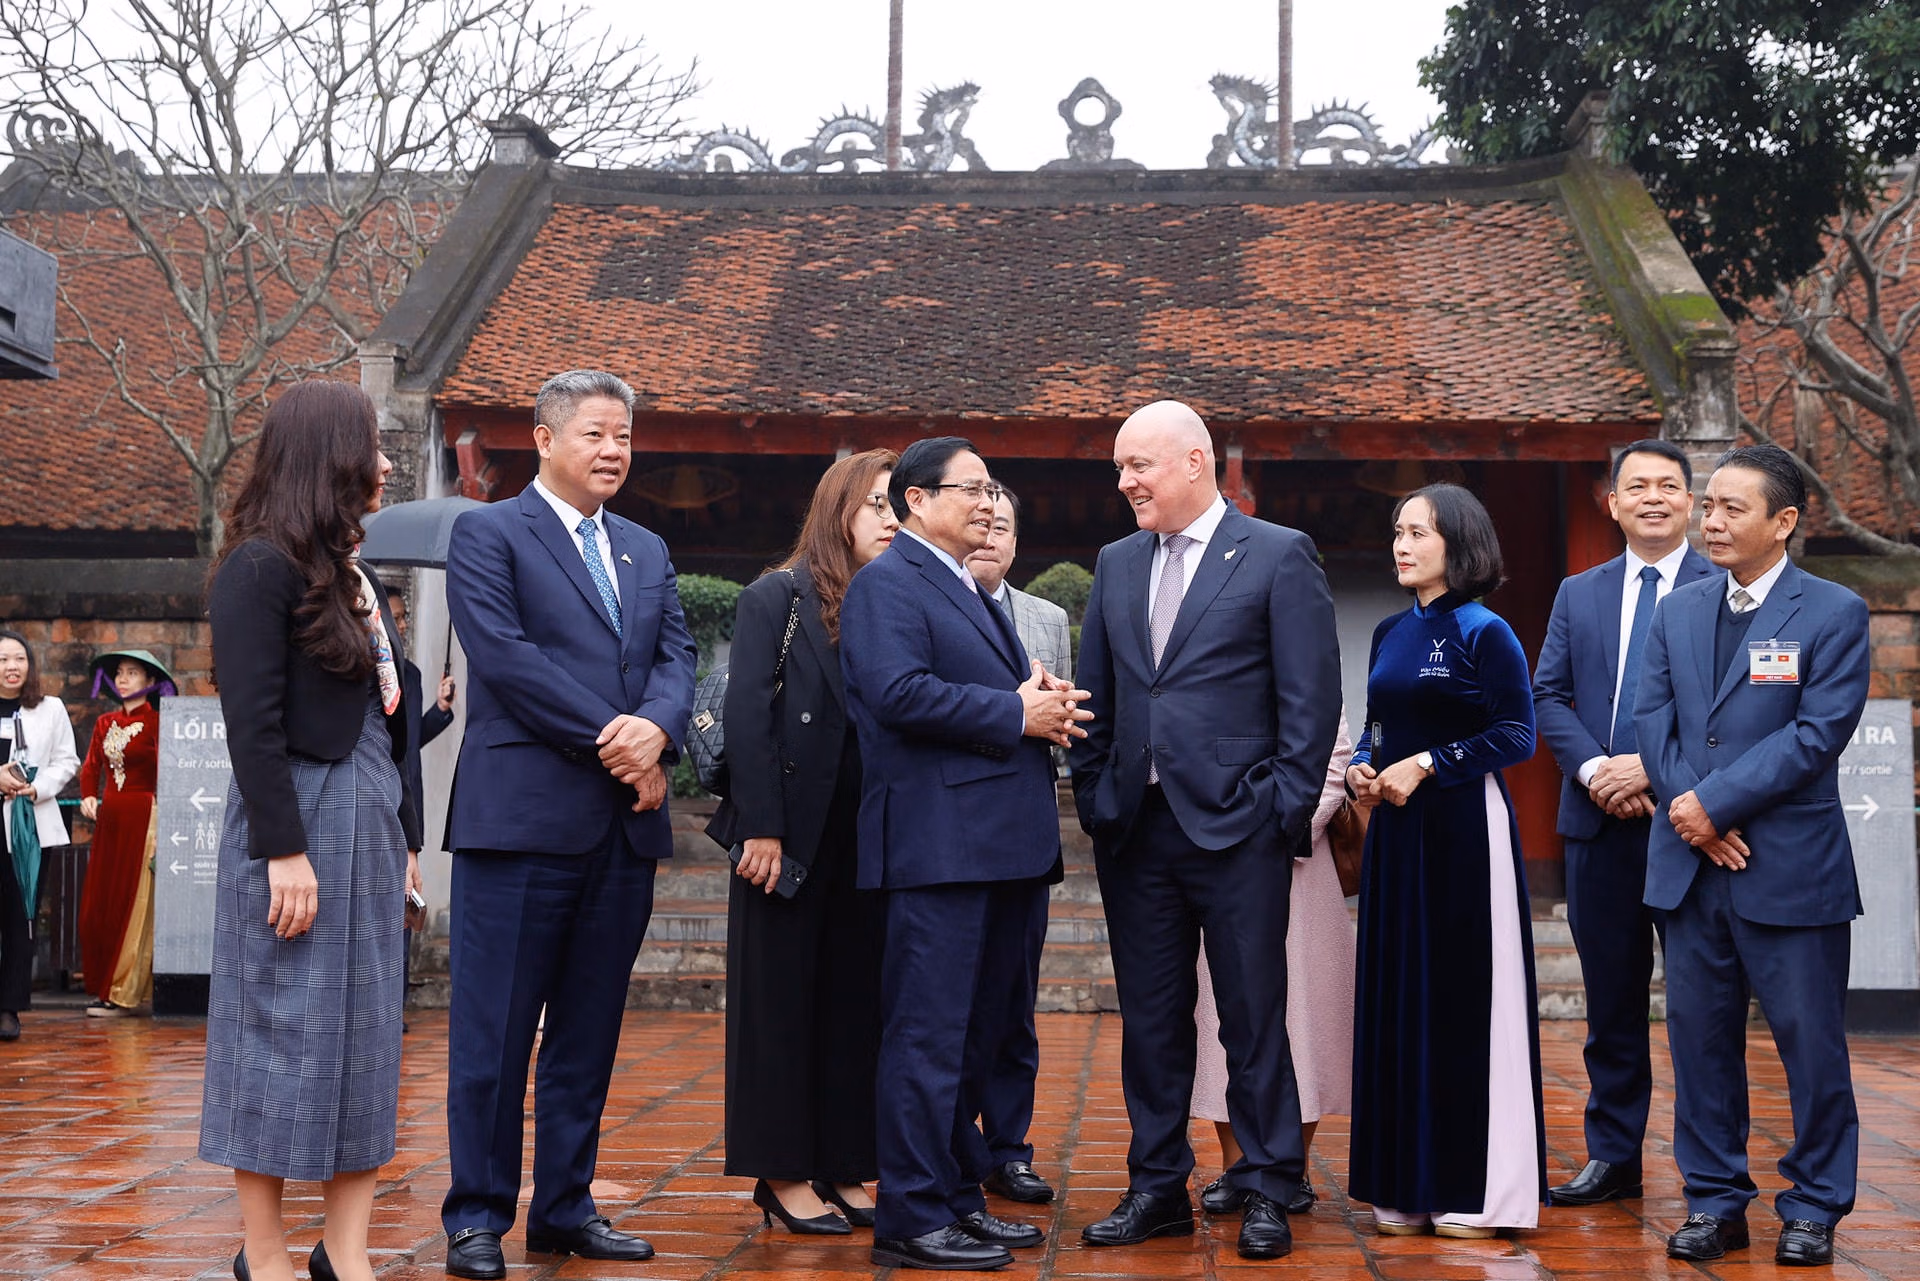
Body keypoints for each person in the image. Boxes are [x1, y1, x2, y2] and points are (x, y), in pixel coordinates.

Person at [441, 369, 697, 1281]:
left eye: (623, 435)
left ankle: (564, 1206)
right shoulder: (488, 533)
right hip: (520, 823)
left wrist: (658, 729)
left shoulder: (645, 547)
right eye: (595, 433)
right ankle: (476, 1216)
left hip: (620, 830)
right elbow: (506, 659)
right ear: (544, 439)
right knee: (496, 1033)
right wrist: (620, 740)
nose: (613, 450)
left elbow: (676, 656)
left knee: (587, 1032)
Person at [1071, 400, 1341, 1263]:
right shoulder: (1116, 562)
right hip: (1136, 830)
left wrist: (1280, 814)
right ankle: (1156, 1186)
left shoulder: (1278, 554)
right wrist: (1096, 797)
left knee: (1253, 1017)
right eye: (1119, 467)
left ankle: (1267, 1183)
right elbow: (1097, 692)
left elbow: (1311, 700)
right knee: (1151, 1020)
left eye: (1138, 465)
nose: (1125, 482)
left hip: (1240, 829)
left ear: (1195, 461)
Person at [838, 436, 1088, 1272]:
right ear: (916, 499)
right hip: (938, 846)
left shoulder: (962, 583)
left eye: (991, 490)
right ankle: (911, 1211)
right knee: (927, 1037)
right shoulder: (886, 584)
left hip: (1000, 846)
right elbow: (896, 692)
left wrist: (1040, 703)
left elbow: (982, 691)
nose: (987, 504)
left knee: (977, 1036)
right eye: (970, 489)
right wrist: (1014, 713)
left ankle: (956, 1197)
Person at [197, 379, 426, 1281]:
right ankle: (265, 1254)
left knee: (367, 1032)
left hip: (368, 822)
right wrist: (283, 850)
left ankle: (347, 1249)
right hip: (294, 819)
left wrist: (405, 837)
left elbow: (387, 718)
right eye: (373, 446)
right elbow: (250, 723)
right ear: (330, 455)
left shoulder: (354, 575)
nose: (386, 463)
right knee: (275, 1031)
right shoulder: (258, 567)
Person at [1636, 443, 1870, 1268]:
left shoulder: (1834, 611)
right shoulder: (1678, 609)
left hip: (1791, 867)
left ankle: (1814, 1204)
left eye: (1733, 508)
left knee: (1811, 1045)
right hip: (1691, 866)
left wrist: (1717, 804)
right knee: (1699, 1044)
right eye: (1710, 505)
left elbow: (1816, 735)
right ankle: (1713, 1199)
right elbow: (1653, 721)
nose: (1712, 521)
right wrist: (1692, 812)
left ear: (1784, 521)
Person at [1346, 482, 1546, 1239]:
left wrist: (1430, 763)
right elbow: (1375, 726)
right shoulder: (1390, 631)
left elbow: (1517, 734)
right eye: (1398, 531)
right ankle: (1405, 1184)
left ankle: (1476, 1190)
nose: (1402, 545)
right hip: (1396, 837)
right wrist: (1362, 767)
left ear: (1459, 544)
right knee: (1400, 998)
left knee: (1464, 1000)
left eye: (1419, 533)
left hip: (1464, 831)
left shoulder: (1484, 630)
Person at [707, 449, 898, 1236]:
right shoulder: (776, 596)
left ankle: (846, 1163)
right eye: (878, 503)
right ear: (838, 510)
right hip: (785, 838)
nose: (893, 518)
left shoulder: (889, 600)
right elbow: (749, 713)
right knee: (777, 1008)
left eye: (900, 505)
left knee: (854, 1007)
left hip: (867, 836)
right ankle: (782, 1171)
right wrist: (762, 824)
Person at [1531, 440, 1713, 1206]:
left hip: (1693, 824)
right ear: (1612, 503)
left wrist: (1653, 769)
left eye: (1668, 485)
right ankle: (1614, 1155)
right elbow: (1547, 695)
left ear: (1691, 501)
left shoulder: (1723, 588)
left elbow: (1732, 712)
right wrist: (1595, 771)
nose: (1653, 497)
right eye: (1637, 486)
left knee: (1702, 1004)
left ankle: (1711, 1170)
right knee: (1610, 1004)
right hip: (1598, 822)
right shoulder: (1580, 592)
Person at [1192, 713, 1356, 1219]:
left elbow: (1334, 758)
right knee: (1220, 1014)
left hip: (1297, 863)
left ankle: (1293, 1167)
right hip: (1219, 854)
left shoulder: (1307, 671)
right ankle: (1235, 1165)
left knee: (1305, 1019)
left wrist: (1282, 827)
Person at [962, 485, 1068, 1207]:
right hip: (954, 828)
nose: (990, 535)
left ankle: (1009, 1147)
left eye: (1003, 525)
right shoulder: (933, 606)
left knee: (1013, 1003)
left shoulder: (1046, 619)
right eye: (981, 522)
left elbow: (1061, 720)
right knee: (952, 1005)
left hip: (1027, 829)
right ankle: (954, 1145)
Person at [77, 649, 178, 1018]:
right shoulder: (104, 722)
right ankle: (103, 985)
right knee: (101, 903)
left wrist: (166, 824)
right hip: (110, 818)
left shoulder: (159, 723)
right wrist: (88, 795)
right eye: (119, 672)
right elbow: (91, 766)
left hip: (144, 816)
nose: (122, 679)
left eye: (132, 673)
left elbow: (171, 773)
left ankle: (122, 992)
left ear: (151, 682)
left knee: (133, 900)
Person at [0, 629, 80, 1043]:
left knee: (21, 915)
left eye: (19, 658)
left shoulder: (51, 708)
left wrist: (38, 788)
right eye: (2, 660)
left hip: (29, 824)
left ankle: (9, 1008)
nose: (11, 667)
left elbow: (67, 760)